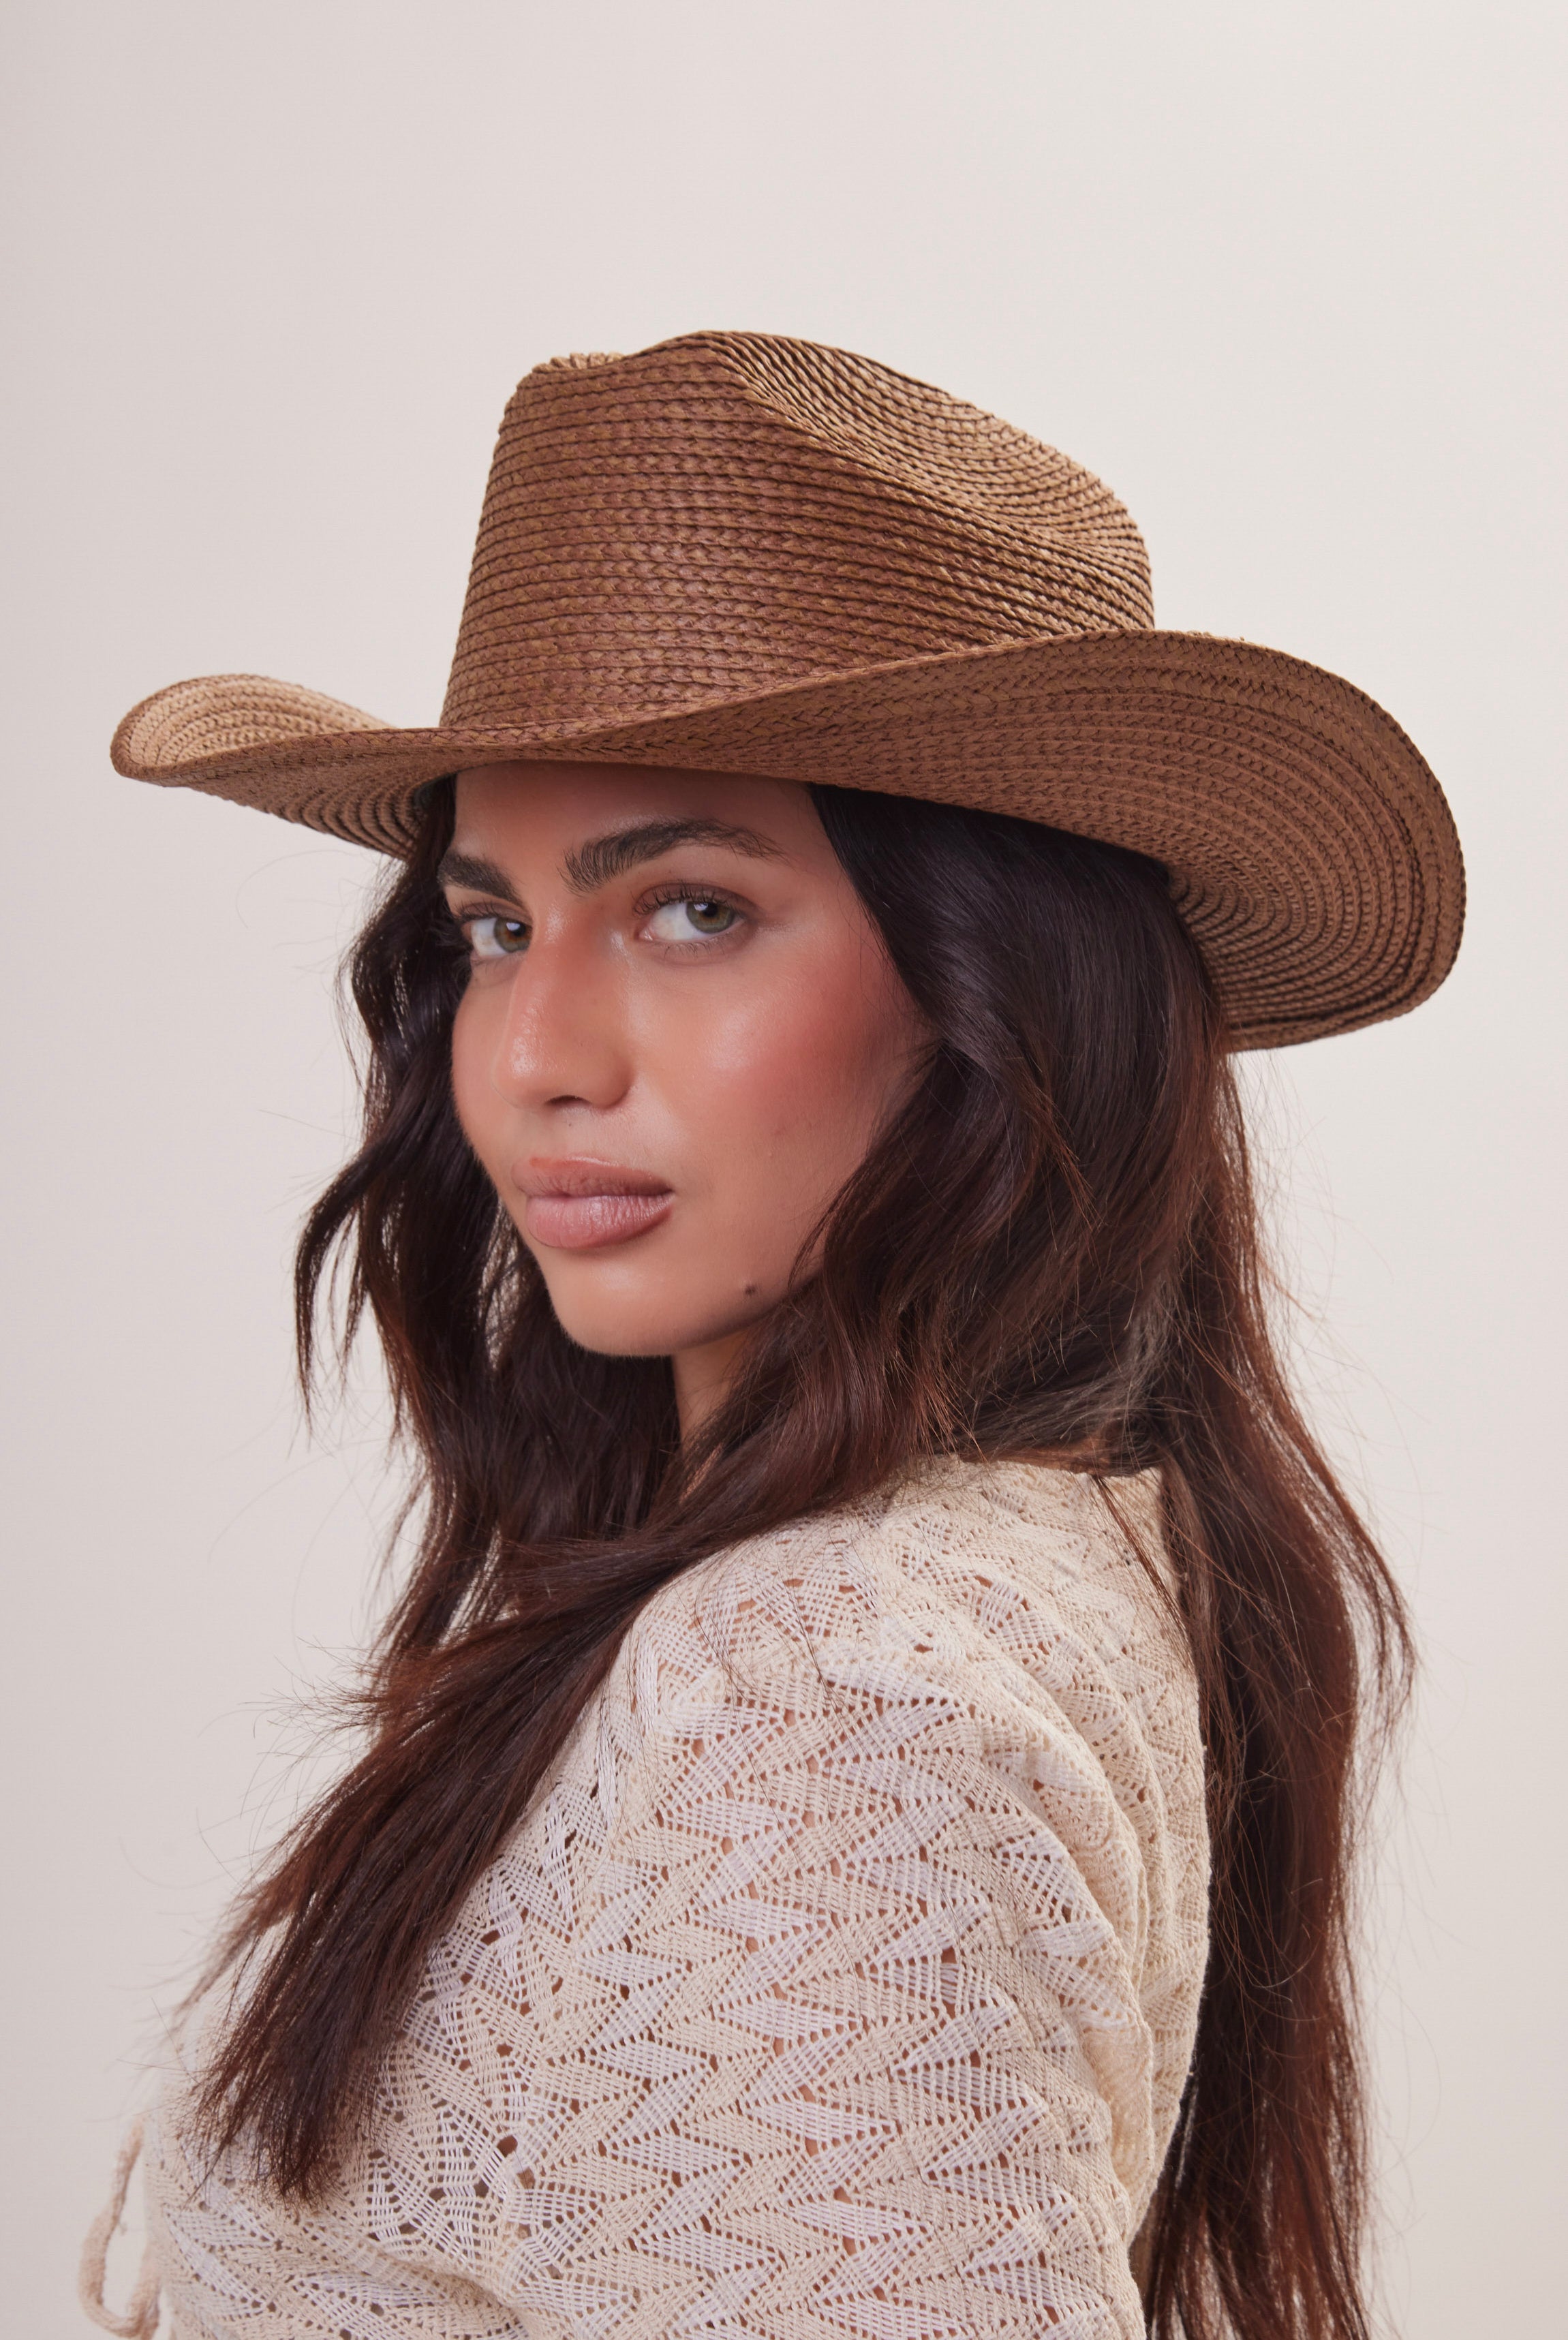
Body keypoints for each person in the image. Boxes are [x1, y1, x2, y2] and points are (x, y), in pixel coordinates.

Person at [81, 332, 1463, 2340]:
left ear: (998, 990)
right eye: (492, 926)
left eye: (694, 908)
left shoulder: (822, 1698)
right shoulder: (979, 1572)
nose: (536, 1052)